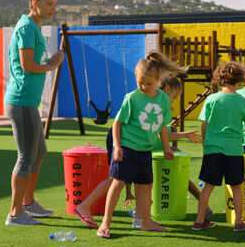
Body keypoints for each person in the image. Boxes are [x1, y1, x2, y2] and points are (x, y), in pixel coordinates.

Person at [73, 74, 203, 228]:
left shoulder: (158, 101)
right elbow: (126, 125)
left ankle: (142, 219)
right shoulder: (141, 99)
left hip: (138, 146)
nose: (173, 101)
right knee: (116, 179)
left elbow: (160, 130)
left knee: (143, 183)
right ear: (166, 88)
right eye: (173, 96)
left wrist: (174, 142)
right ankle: (86, 207)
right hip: (123, 141)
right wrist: (183, 135)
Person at [96, 51, 187, 238]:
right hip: (128, 148)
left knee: (145, 186)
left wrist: (167, 148)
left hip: (145, 150)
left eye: (149, 83)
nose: (144, 87)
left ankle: (146, 222)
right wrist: (117, 146)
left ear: (158, 80)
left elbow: (162, 126)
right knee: (118, 184)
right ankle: (105, 223)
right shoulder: (132, 98)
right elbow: (117, 123)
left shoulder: (162, 98)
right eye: (140, 83)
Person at [4, 0, 64, 226]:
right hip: (21, 101)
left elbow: (33, 64)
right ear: (34, 2)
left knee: (40, 151)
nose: (52, 8)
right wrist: (52, 64)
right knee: (26, 155)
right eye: (48, 3)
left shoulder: (33, 27)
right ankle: (15, 214)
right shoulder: (27, 28)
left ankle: (28, 203)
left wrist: (52, 60)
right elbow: (28, 66)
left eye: (54, 4)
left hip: (28, 101)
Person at [192, 61, 245, 232]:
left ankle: (199, 221)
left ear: (219, 79)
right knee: (236, 187)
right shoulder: (242, 101)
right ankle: (238, 223)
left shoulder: (211, 99)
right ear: (239, 79)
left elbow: (204, 125)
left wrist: (206, 144)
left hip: (213, 149)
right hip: (234, 150)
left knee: (208, 186)